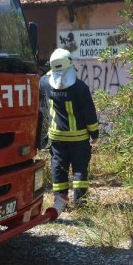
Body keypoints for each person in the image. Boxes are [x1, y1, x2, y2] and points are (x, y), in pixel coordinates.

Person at [40, 48, 99, 214]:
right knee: (79, 169)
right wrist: (94, 134)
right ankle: (80, 203)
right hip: (79, 139)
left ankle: (61, 202)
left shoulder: (44, 82)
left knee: (58, 168)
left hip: (57, 138)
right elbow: (89, 114)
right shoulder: (80, 87)